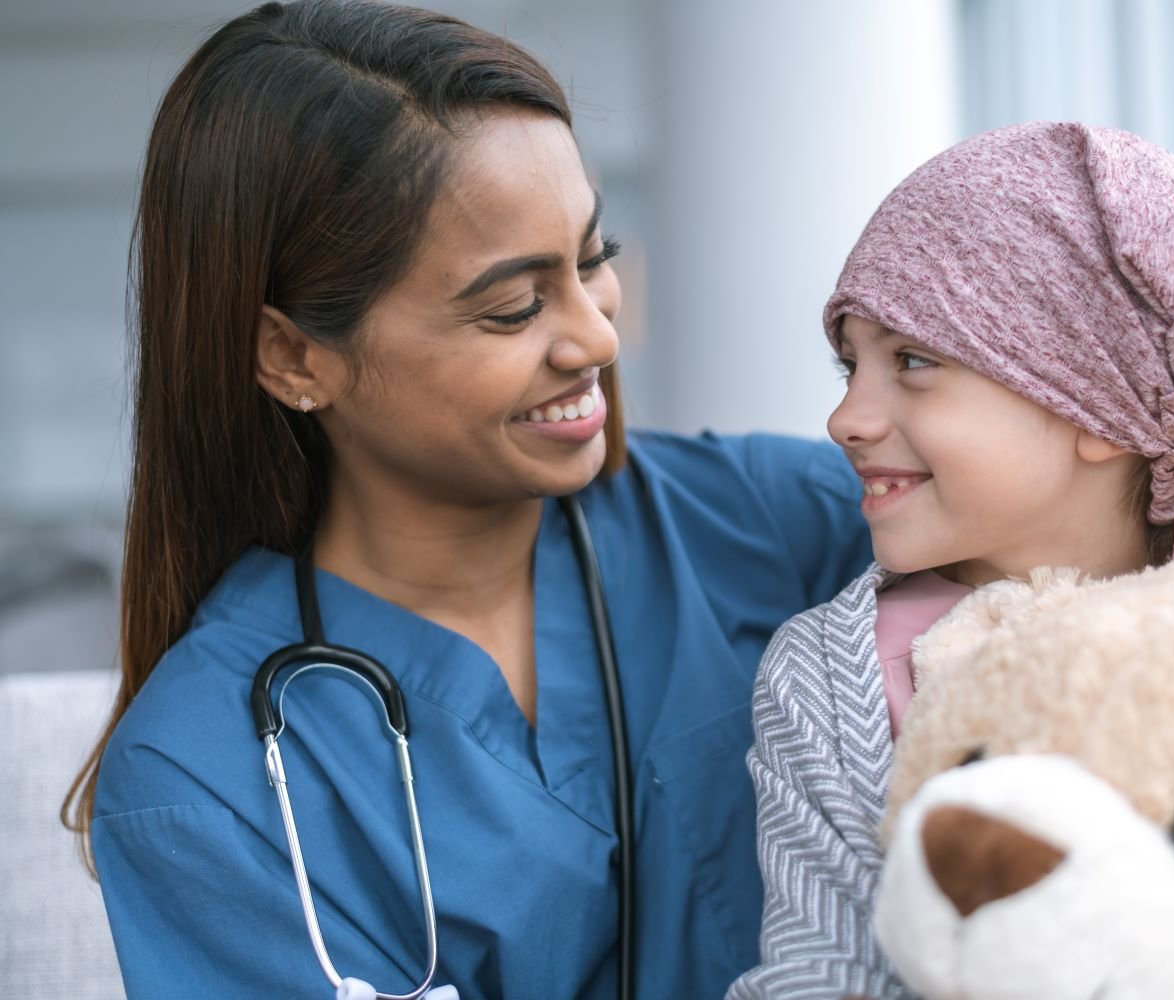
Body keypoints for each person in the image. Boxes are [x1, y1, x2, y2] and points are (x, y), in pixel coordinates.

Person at [60, 2, 872, 997]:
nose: (597, 339)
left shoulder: (769, 521)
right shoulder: (206, 783)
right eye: (514, 306)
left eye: (593, 260)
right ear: (294, 355)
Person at [726, 121, 1174, 998]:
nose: (848, 418)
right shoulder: (832, 676)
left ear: (1097, 404)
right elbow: (824, 976)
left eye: (911, 360)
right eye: (847, 366)